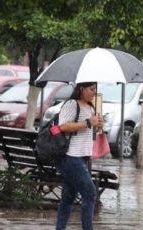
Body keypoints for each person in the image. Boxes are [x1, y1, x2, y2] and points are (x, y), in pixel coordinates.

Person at [56, 82, 103, 230]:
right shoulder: (71, 104)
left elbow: (90, 131)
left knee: (68, 198)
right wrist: (88, 122)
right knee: (90, 194)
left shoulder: (90, 107)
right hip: (70, 156)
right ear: (81, 89)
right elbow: (63, 126)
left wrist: (99, 124)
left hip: (83, 157)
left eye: (95, 89)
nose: (93, 93)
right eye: (91, 89)